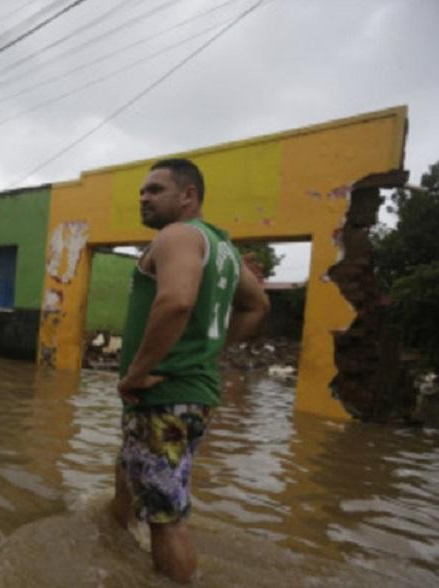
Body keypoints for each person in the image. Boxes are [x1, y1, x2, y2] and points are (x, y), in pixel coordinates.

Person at [109, 158, 269, 583]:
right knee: (127, 471)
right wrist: (209, 351)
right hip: (193, 396)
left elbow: (176, 300)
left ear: (188, 196)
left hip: (162, 394)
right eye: (141, 191)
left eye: (155, 190)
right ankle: (110, 546)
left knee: (166, 517)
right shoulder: (223, 250)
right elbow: (257, 306)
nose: (144, 197)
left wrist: (137, 374)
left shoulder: (177, 235)